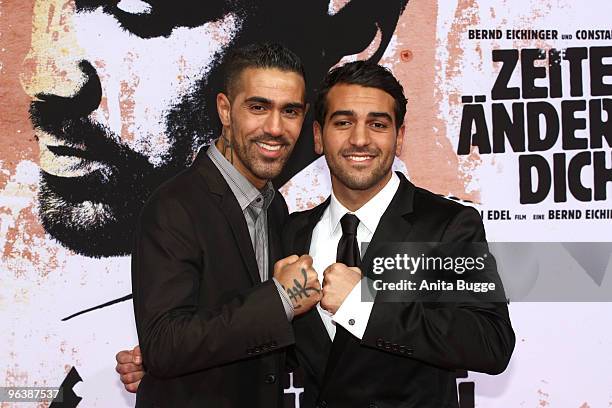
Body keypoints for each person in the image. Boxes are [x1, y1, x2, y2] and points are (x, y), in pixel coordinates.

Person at [118, 61, 515, 407]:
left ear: (400, 135)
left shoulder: (447, 224)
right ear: (319, 136)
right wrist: (168, 362)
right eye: (343, 122)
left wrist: (364, 307)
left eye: (378, 124)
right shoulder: (291, 228)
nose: (360, 139)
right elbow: (278, 341)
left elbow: (491, 343)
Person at [21, 0, 408, 258]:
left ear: (350, 37)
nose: (44, 80)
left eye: (138, 13)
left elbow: (461, 336)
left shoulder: (430, 234)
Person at [130, 42, 322, 408]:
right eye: (258, 107)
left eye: (290, 111)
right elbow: (166, 345)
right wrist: (281, 299)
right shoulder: (174, 206)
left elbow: (260, 341)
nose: (275, 128)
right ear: (225, 110)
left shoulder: (273, 206)